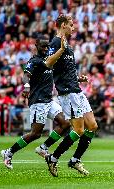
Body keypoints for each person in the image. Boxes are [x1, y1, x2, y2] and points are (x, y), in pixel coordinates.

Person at [0, 34, 70, 169]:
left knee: (65, 123)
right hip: (38, 101)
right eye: (43, 46)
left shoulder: (49, 59)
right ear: (36, 46)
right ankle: (9, 152)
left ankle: (43, 148)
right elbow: (26, 76)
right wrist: (26, 86)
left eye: (47, 46)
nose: (45, 48)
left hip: (48, 100)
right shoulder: (34, 60)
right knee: (36, 133)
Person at [43, 14, 98, 177]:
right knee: (79, 130)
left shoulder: (67, 44)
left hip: (76, 89)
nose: (73, 28)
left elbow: (64, 70)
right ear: (63, 25)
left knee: (93, 126)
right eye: (71, 25)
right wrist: (60, 49)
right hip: (67, 92)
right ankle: (53, 158)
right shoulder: (55, 43)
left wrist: (78, 78)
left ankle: (75, 160)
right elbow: (48, 63)